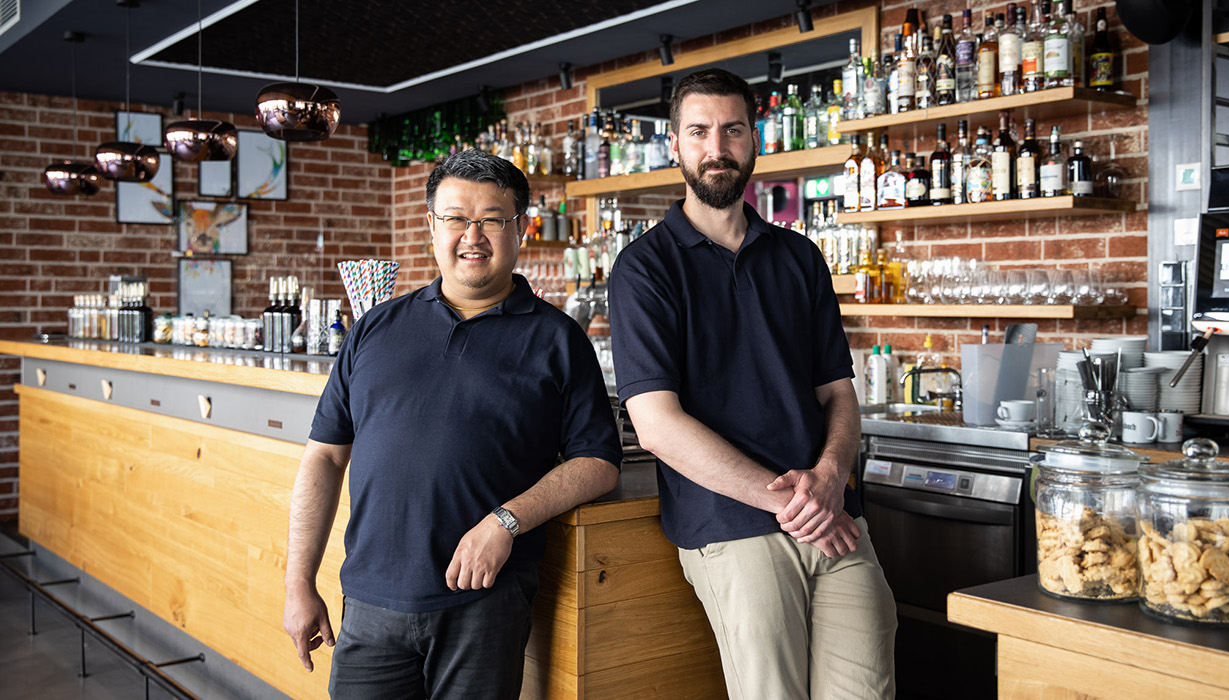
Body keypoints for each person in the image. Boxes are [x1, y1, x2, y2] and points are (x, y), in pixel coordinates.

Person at [283, 149, 622, 699]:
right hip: (370, 601)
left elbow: (599, 463)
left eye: (492, 219)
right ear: (431, 225)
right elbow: (324, 455)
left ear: (520, 228)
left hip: (484, 605)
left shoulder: (558, 340)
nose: (473, 235)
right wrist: (298, 582)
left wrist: (505, 522)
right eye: (456, 218)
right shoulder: (375, 329)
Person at [608, 68, 897, 700]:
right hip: (732, 526)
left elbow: (838, 394)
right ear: (675, 146)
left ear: (755, 140)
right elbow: (657, 426)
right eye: (699, 132)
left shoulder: (799, 257)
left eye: (732, 130)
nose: (717, 147)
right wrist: (793, 504)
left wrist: (829, 478)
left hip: (832, 517)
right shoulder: (644, 270)